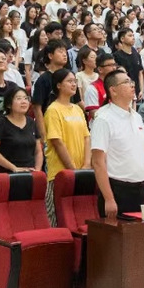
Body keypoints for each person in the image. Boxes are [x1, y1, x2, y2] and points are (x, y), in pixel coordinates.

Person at [91, 70, 144, 220]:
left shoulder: (137, 117)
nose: (132, 85)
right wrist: (109, 198)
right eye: (126, 82)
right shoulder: (103, 119)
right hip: (118, 189)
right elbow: (98, 162)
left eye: (131, 82)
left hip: (141, 189)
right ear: (113, 90)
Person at [42, 68, 89, 221]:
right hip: (60, 173)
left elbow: (87, 138)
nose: (74, 84)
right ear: (58, 85)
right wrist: (73, 169)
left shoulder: (78, 109)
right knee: (57, 217)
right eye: (69, 81)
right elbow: (57, 142)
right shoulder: (53, 110)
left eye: (75, 81)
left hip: (82, 171)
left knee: (78, 217)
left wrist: (86, 165)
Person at [0, 85, 42, 174]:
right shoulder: (1, 122)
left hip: (30, 174)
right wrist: (14, 168)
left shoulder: (31, 122)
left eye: (26, 98)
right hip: (7, 175)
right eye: (19, 98)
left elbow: (38, 152)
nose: (24, 101)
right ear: (9, 104)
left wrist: (37, 171)